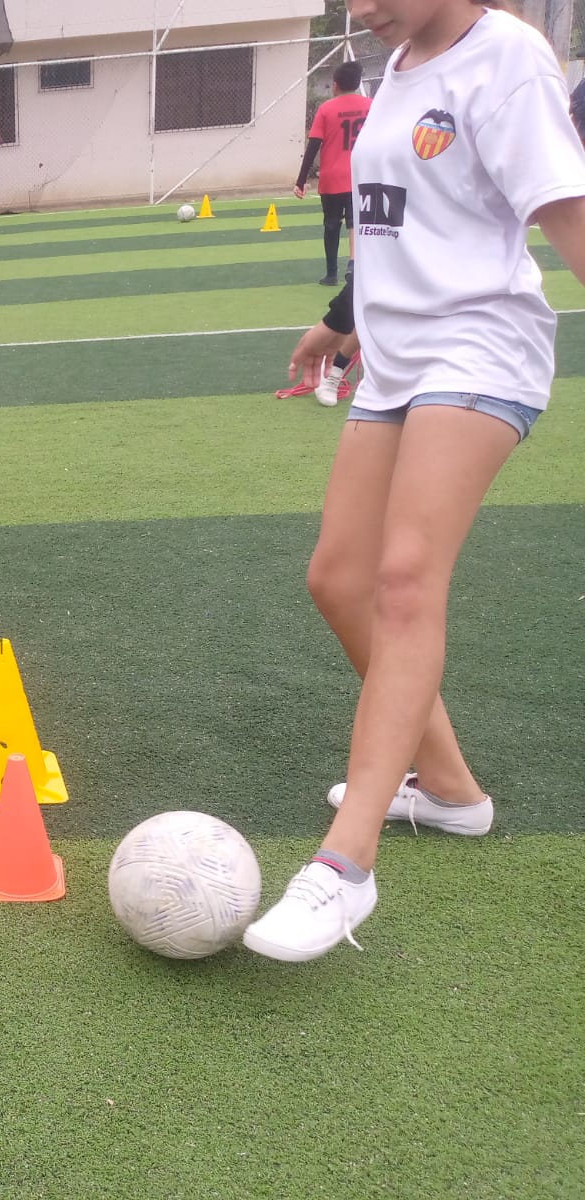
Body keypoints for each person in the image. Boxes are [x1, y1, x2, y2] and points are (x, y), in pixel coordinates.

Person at [244, 0, 585, 963]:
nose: (361, 7)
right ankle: (450, 792)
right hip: (394, 361)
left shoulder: (507, 58)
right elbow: (397, 222)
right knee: (338, 580)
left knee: (403, 580)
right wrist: (340, 320)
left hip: (480, 346)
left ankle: (346, 866)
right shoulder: (398, 68)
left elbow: (568, 217)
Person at [295, 60, 373, 288]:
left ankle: (331, 274)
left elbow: (313, 146)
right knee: (356, 223)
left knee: (331, 224)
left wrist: (301, 180)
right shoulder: (371, 106)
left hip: (332, 178)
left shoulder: (326, 109)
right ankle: (353, 264)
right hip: (361, 176)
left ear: (335, 84)